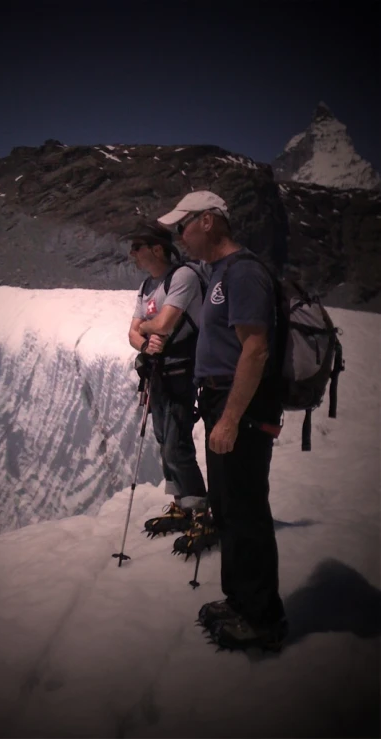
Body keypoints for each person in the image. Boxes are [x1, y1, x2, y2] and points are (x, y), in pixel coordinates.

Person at [157, 190, 288, 652]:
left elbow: (255, 348)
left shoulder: (244, 272)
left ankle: (263, 619)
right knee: (229, 509)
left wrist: (230, 418)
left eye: (183, 226)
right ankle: (241, 602)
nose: (180, 236)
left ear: (208, 221)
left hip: (242, 410)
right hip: (224, 404)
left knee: (246, 510)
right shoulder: (220, 273)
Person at [126, 222, 208, 537]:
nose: (132, 253)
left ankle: (200, 510)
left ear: (157, 249)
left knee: (176, 444)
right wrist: (147, 340)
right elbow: (132, 334)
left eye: (137, 246)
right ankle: (183, 505)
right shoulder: (148, 285)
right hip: (158, 372)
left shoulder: (183, 277)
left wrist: (147, 329)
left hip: (182, 371)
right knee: (164, 442)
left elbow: (164, 323)